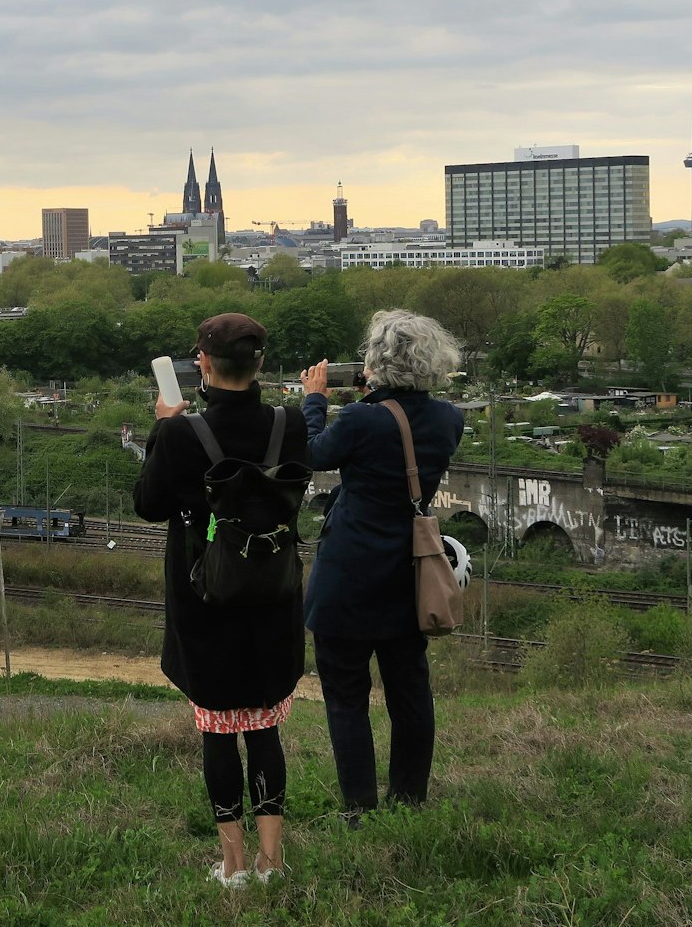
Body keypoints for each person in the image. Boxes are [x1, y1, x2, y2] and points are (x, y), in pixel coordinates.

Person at [134, 313, 309, 887]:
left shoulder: (185, 435)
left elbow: (149, 504)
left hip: (205, 602)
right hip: (274, 597)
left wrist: (163, 429)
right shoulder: (291, 425)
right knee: (264, 729)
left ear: (203, 364)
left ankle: (233, 866)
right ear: (260, 363)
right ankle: (272, 861)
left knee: (218, 733)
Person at [298, 309, 464, 824]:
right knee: (410, 688)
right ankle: (410, 797)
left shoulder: (361, 421)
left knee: (347, 695)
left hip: (348, 576)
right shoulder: (449, 419)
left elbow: (312, 454)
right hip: (406, 576)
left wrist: (315, 400)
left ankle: (359, 807)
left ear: (376, 363)